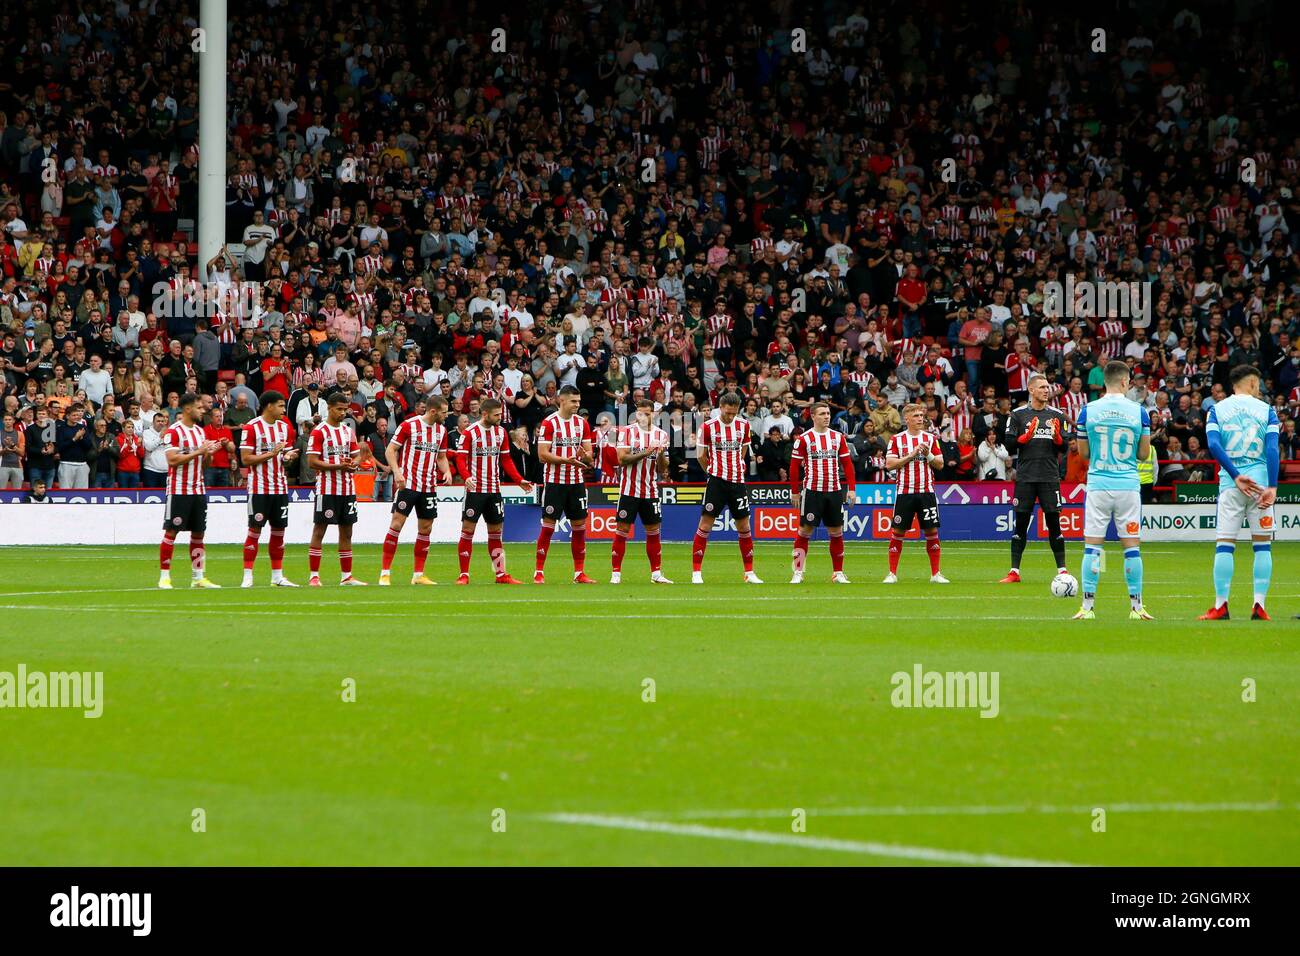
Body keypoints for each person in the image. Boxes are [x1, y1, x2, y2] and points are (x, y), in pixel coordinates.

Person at [1198, 365, 1279, 621]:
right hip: (1261, 487)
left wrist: (1235, 474)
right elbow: (1273, 450)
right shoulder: (1267, 411)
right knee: (1262, 547)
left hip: (1232, 485)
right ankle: (1259, 605)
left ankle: (1221, 605)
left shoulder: (1216, 410)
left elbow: (1212, 444)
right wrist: (1273, 486)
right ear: (1253, 383)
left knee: (1224, 546)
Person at [1074, 361, 1153, 620]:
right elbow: (1143, 454)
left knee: (1093, 548)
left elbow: (1084, 453)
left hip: (1098, 485)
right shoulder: (1139, 412)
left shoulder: (1088, 411)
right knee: (1131, 548)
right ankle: (1136, 607)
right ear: (1124, 381)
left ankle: (1087, 608)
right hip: (1128, 486)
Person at [453, 397, 534, 584]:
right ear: (485, 414)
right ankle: (463, 575)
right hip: (475, 491)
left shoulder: (501, 433)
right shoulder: (470, 433)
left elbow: (506, 460)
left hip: (494, 490)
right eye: (496, 415)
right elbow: (460, 459)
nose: (499, 417)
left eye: (500, 414)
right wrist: (466, 477)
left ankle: (501, 574)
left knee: (496, 532)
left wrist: (519, 480)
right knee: (467, 530)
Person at [999, 374, 1071, 583]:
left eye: (1047, 387)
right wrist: (1025, 437)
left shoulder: (1058, 415)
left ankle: (1062, 571)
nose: (1046, 390)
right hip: (1026, 476)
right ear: (1031, 390)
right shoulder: (1018, 415)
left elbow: (1065, 447)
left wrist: (1058, 437)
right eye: (1041, 387)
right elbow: (1009, 445)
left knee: (1054, 522)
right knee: (1020, 523)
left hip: (1049, 476)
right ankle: (1014, 572)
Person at [380, 395, 452, 586]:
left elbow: (441, 457)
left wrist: (447, 472)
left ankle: (418, 575)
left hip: (429, 487)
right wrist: (397, 473)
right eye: (444, 412)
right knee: (396, 525)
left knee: (426, 529)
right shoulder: (409, 426)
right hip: (408, 485)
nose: (447, 416)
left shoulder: (442, 431)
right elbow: (390, 450)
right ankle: (385, 573)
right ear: (433, 411)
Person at [692, 392, 762, 584]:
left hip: (737, 482)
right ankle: (696, 572)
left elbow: (744, 448)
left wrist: (737, 465)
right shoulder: (707, 427)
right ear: (720, 407)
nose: (730, 416)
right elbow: (700, 456)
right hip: (716, 482)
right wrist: (713, 472)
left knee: (744, 525)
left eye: (734, 413)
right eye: (727, 412)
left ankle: (749, 572)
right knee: (705, 524)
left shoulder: (744, 425)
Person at [158, 392, 222, 589]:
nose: (202, 411)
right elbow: (172, 460)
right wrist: (199, 451)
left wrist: (209, 454)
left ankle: (198, 577)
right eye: (199, 407)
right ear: (187, 409)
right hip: (178, 490)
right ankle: (164, 577)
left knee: (198, 534)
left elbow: (203, 464)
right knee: (171, 532)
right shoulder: (173, 432)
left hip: (198, 489)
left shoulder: (200, 432)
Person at [533, 385, 596, 584]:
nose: (577, 405)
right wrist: (566, 460)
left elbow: (589, 456)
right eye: (573, 401)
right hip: (554, 482)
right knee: (548, 526)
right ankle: (539, 571)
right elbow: (542, 455)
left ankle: (579, 573)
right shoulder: (549, 423)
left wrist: (586, 457)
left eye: (579, 401)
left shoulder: (582, 424)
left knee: (579, 527)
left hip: (577, 482)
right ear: (562, 400)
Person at [789, 401, 855, 584]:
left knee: (836, 532)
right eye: (822, 413)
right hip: (812, 492)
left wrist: (851, 489)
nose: (827, 416)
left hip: (834, 491)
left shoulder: (837, 437)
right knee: (804, 531)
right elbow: (794, 467)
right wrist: (795, 491)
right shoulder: (804, 439)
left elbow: (847, 465)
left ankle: (838, 573)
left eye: (828, 413)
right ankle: (798, 571)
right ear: (813, 416)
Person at [239, 390, 300, 588]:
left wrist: (287, 457)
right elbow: (246, 459)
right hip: (259, 488)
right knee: (254, 530)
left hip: (280, 488)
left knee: (279, 532)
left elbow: (281, 456)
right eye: (281, 406)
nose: (284, 409)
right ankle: (248, 575)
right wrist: (271, 454)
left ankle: (277, 576)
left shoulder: (284, 428)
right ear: (269, 406)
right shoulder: (252, 427)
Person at [306, 392, 367, 586]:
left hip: (347, 489)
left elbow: (357, 455)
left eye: (345, 409)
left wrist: (353, 463)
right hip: (326, 489)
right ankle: (314, 576)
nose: (342, 413)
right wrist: (338, 466)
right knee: (320, 530)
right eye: (339, 409)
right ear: (329, 408)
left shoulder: (348, 431)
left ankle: (346, 576)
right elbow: (312, 462)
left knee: (347, 532)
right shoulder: (319, 431)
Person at [610, 398, 673, 585]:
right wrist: (647, 452)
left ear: (653, 413)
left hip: (651, 490)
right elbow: (621, 459)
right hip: (629, 490)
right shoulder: (627, 432)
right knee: (622, 529)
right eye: (641, 413)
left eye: (648, 413)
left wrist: (660, 453)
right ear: (635, 413)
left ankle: (656, 574)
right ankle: (616, 574)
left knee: (653, 530)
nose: (644, 417)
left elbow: (663, 469)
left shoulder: (661, 434)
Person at [883, 403, 947, 584]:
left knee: (931, 531)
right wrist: (911, 455)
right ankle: (892, 573)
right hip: (905, 492)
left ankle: (936, 574)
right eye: (917, 416)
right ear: (907, 419)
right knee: (898, 532)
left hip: (927, 492)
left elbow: (940, 464)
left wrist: (929, 455)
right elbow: (889, 464)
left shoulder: (930, 438)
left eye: (921, 415)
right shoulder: (897, 439)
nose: (921, 418)